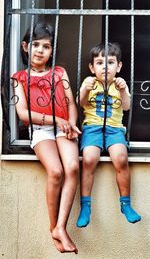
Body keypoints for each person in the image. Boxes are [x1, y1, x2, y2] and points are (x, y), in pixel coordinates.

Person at [12, 22, 81, 253]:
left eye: (46, 46)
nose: (40, 50)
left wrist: (70, 123)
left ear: (52, 51)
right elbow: (23, 113)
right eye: (35, 45)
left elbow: (71, 102)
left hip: (64, 126)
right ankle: (54, 228)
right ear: (25, 46)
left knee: (72, 167)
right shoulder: (19, 78)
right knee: (56, 171)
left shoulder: (60, 72)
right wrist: (57, 120)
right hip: (41, 130)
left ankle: (60, 227)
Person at [76, 43, 141, 228]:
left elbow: (127, 106)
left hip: (114, 130)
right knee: (88, 158)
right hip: (92, 129)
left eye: (110, 62)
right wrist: (85, 89)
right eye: (99, 62)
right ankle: (86, 206)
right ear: (92, 67)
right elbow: (80, 103)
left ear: (119, 66)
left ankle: (126, 204)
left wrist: (122, 90)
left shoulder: (120, 84)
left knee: (121, 158)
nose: (105, 67)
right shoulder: (89, 82)